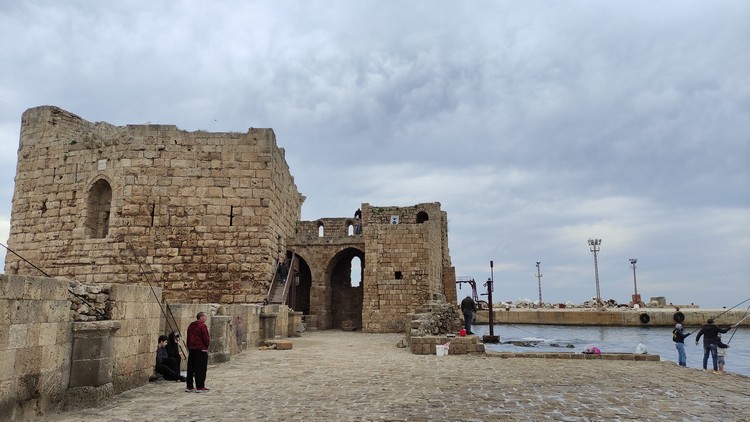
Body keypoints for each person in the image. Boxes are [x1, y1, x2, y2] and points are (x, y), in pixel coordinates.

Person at [186, 312, 211, 392]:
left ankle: (189, 386)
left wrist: (189, 347)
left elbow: (188, 337)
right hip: (200, 349)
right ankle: (200, 386)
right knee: (200, 368)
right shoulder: (202, 326)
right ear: (201, 317)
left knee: (191, 368)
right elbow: (206, 337)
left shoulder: (191, 326)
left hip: (192, 349)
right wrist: (206, 346)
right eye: (205, 316)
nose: (206, 318)